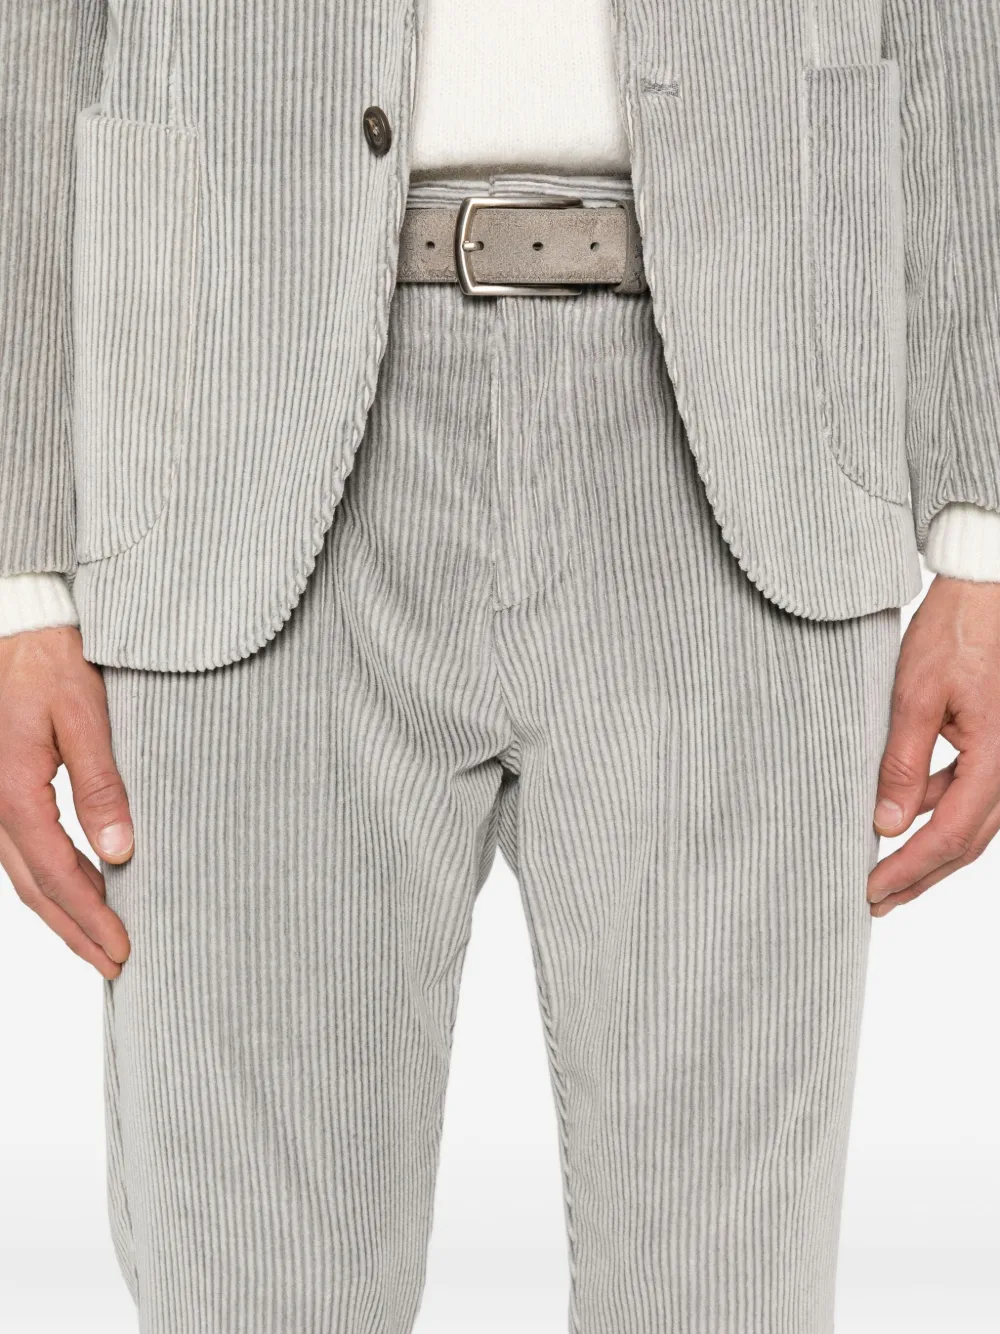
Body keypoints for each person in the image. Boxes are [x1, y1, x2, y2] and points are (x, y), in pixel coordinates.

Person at [1, 2, 998, 1331]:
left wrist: (983, 531)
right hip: (227, 412)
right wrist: (18, 579)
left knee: (729, 1292)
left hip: (757, 416)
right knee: (250, 1284)